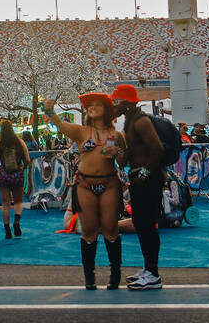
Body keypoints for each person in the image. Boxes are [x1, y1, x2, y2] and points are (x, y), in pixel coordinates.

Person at [43, 93, 126, 289]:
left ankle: (115, 274)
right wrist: (49, 110)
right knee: (88, 230)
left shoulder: (116, 135)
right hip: (85, 184)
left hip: (109, 184)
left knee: (110, 229)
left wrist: (118, 152)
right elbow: (60, 124)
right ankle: (90, 277)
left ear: (106, 110)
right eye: (90, 105)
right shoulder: (81, 132)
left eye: (98, 105)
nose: (92, 107)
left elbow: (123, 162)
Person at [111, 83, 164, 291]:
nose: (114, 105)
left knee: (148, 225)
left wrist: (144, 173)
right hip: (139, 179)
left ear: (127, 103)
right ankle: (148, 269)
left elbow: (157, 150)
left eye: (117, 101)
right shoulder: (129, 123)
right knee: (142, 225)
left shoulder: (141, 122)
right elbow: (127, 159)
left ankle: (153, 274)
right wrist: (119, 153)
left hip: (148, 180)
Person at [0, 120, 32, 240]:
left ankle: (7, 230)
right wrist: (23, 167)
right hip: (17, 174)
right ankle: (17, 221)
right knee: (18, 201)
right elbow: (27, 159)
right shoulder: (19, 142)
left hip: (3, 175)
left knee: (5, 204)